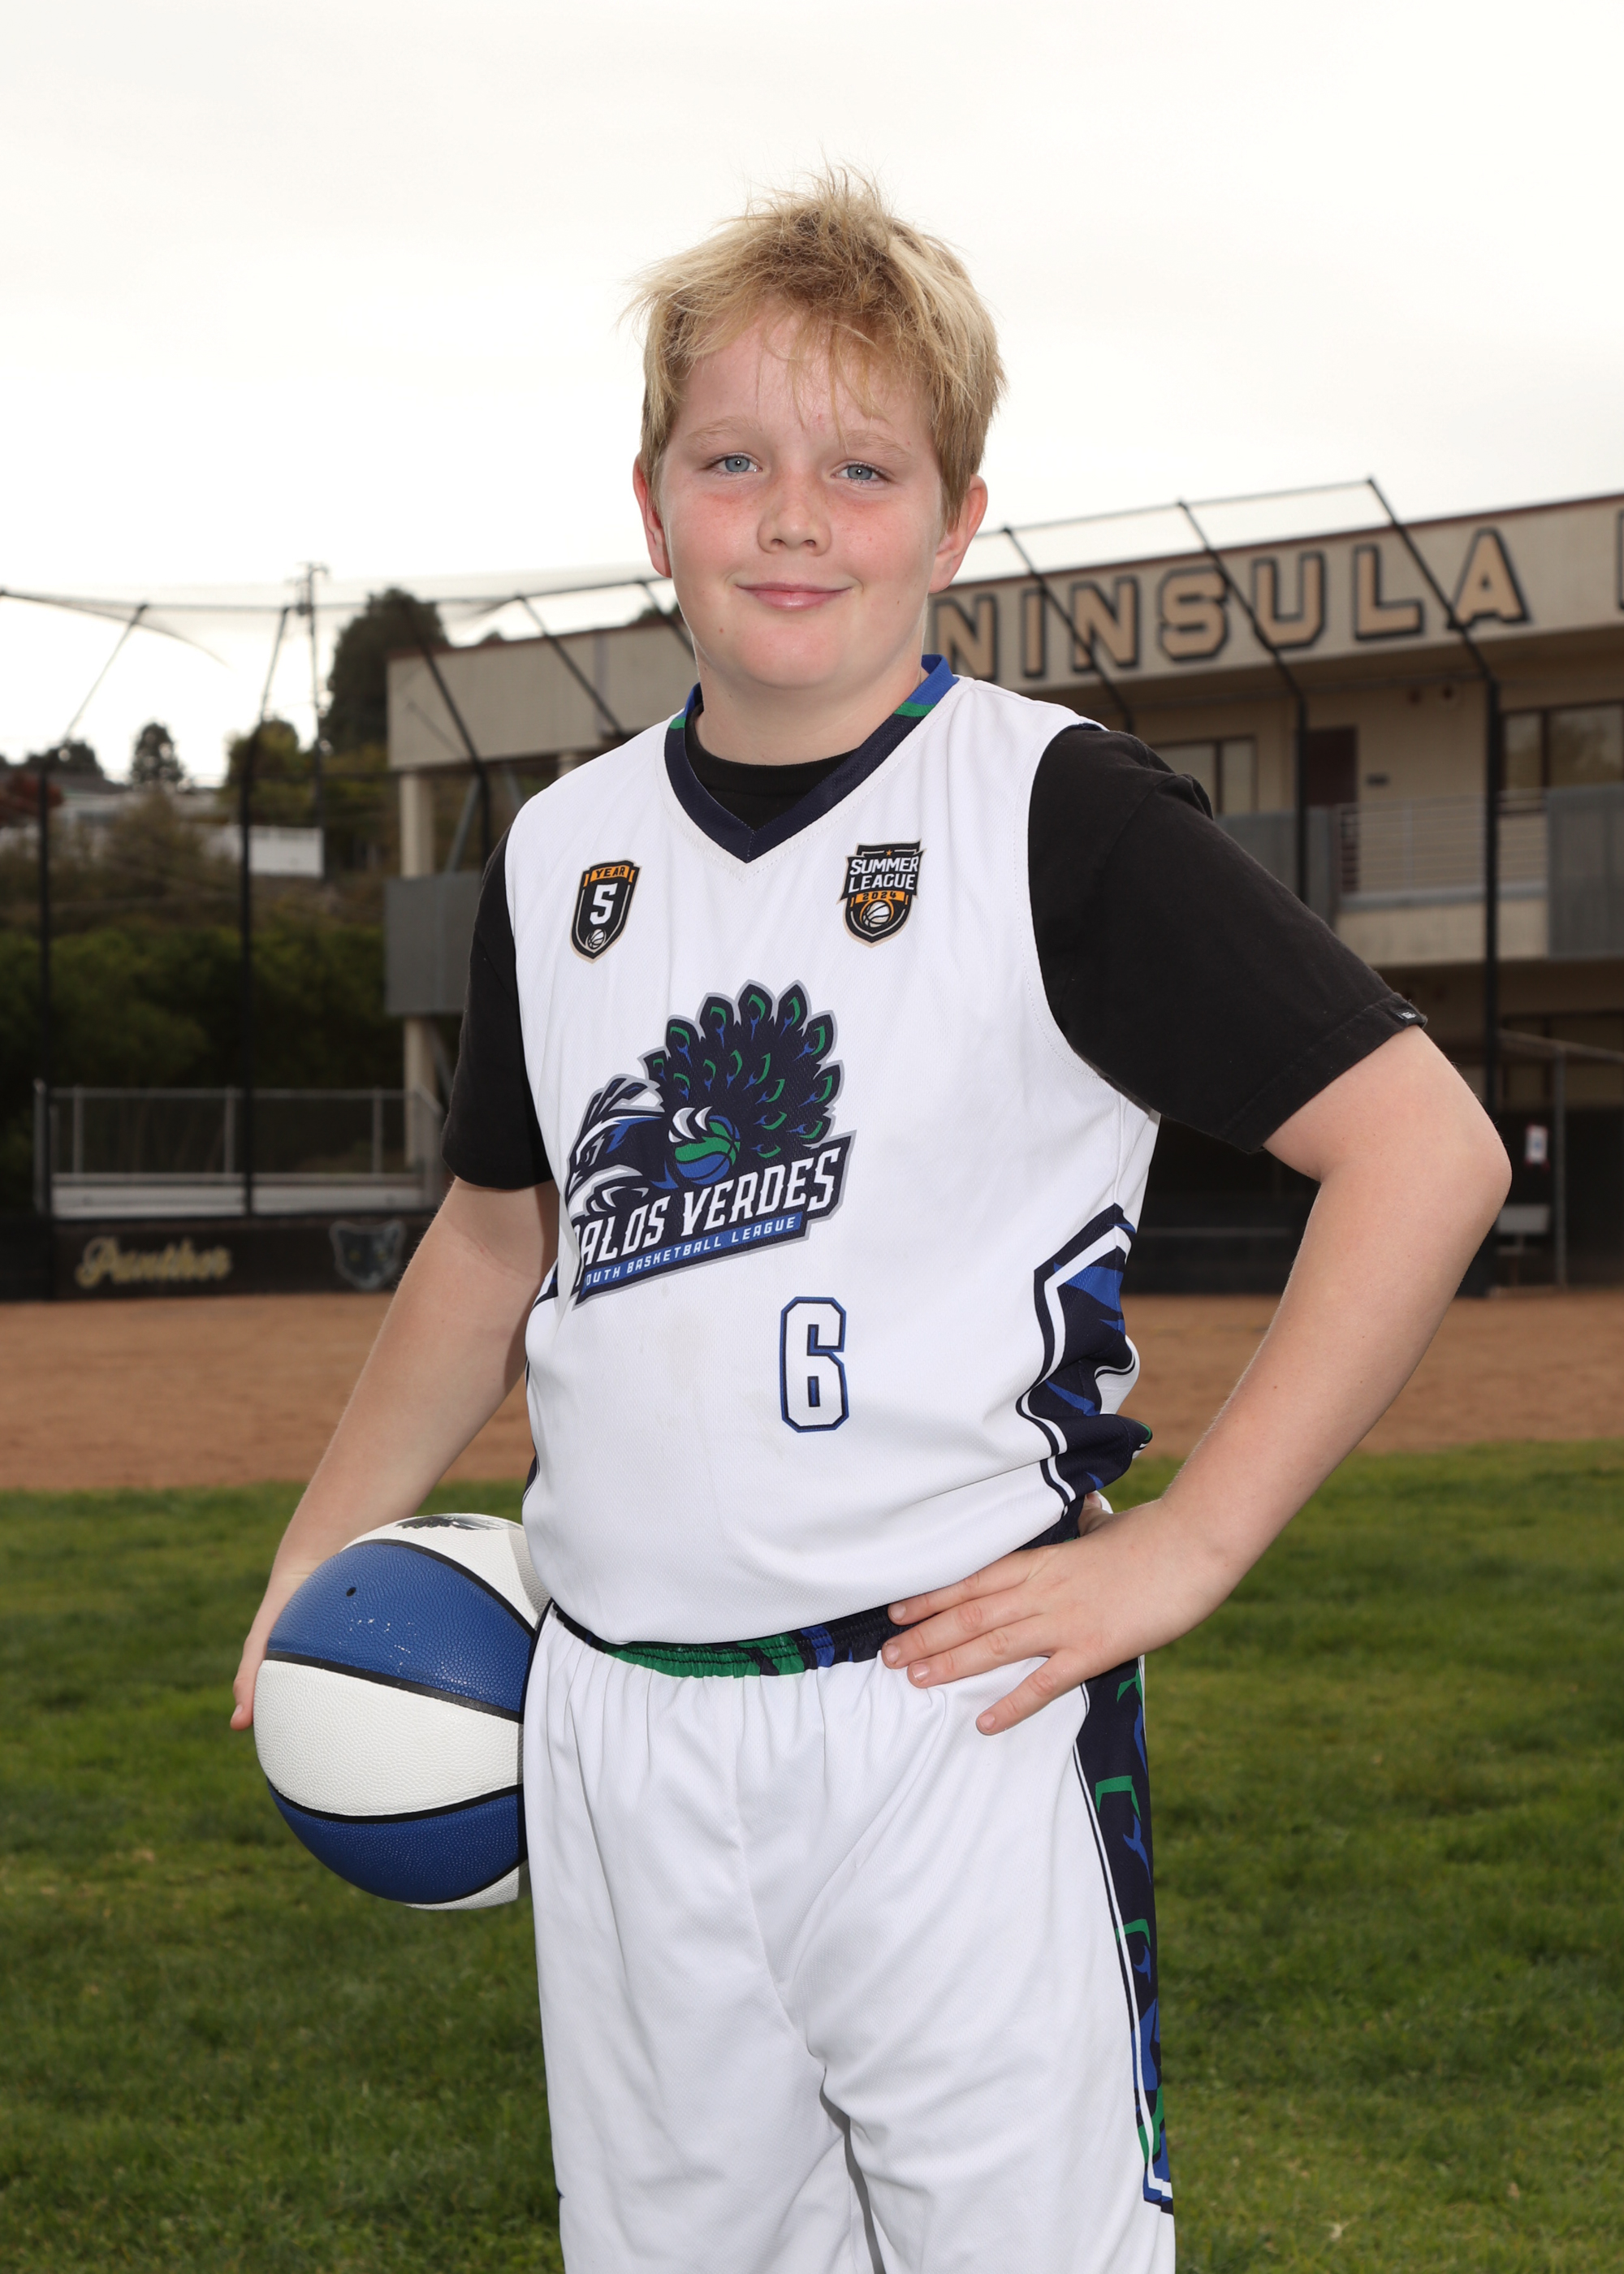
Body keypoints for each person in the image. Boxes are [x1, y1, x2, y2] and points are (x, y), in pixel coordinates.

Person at [232, 173, 1509, 2274]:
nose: (794, 519)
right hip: (619, 1717)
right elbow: (491, 1239)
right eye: (734, 462)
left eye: (861, 469)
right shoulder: (560, 856)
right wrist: (321, 1542)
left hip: (947, 1712)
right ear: (653, 508)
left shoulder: (1056, 812)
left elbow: (1425, 1148)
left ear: (958, 520)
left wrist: (1192, 1546)